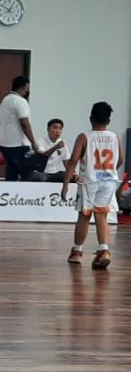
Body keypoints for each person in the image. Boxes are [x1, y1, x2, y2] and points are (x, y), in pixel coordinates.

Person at [62, 102, 122, 270]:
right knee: (102, 216)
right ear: (108, 121)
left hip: (89, 181)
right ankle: (104, 250)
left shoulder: (84, 137)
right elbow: (120, 160)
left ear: (90, 118)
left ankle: (77, 252)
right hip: (108, 180)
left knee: (84, 216)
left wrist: (65, 184)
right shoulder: (115, 137)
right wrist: (108, 172)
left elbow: (73, 160)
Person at [0, 76, 38, 182]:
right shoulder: (20, 101)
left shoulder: (5, 100)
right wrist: (33, 142)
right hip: (18, 144)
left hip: (4, 143)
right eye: (27, 88)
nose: (27, 91)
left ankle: (8, 190)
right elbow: (24, 123)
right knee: (27, 174)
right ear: (23, 87)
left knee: (12, 172)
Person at [35, 118, 71, 183]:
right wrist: (55, 147)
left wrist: (74, 173)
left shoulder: (62, 143)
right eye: (55, 128)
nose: (58, 131)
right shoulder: (40, 141)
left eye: (60, 129)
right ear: (48, 129)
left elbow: (66, 161)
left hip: (54, 173)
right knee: (39, 177)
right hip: (42, 173)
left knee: (70, 176)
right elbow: (42, 157)